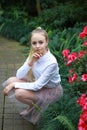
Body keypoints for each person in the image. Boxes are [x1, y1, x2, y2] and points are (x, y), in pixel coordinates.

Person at [3, 27, 63, 124]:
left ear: (46, 42)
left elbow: (37, 85)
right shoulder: (34, 54)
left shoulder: (51, 63)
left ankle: (36, 106)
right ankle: (33, 105)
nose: (37, 46)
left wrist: (14, 85)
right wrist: (30, 62)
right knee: (11, 80)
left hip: (50, 91)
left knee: (19, 93)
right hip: (38, 84)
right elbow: (19, 75)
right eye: (34, 43)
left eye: (41, 42)